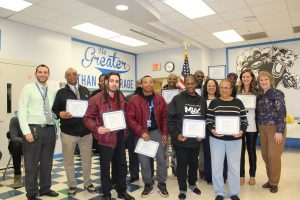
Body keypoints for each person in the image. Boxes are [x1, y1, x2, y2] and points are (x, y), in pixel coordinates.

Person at [83, 72, 134, 200]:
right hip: (105, 139)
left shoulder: (121, 96)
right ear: (106, 82)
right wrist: (97, 128)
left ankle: (122, 191)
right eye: (111, 81)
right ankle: (106, 194)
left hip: (120, 137)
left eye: (117, 81)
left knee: (122, 165)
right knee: (105, 168)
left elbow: (125, 114)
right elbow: (87, 118)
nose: (114, 84)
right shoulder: (96, 99)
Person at [52, 68, 94, 196]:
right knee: (68, 160)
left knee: (87, 159)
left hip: (86, 132)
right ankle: (71, 185)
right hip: (68, 133)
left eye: (74, 74)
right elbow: (55, 109)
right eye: (69, 75)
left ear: (77, 76)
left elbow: (91, 108)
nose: (72, 76)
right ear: (66, 77)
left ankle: (88, 183)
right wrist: (61, 113)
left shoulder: (85, 90)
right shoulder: (61, 92)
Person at [18, 64, 59, 200]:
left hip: (49, 129)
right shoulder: (28, 89)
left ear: (48, 74)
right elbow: (22, 111)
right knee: (31, 164)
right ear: (36, 74)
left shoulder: (51, 89)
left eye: (45, 72)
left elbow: (53, 111)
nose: (43, 74)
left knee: (47, 163)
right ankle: (31, 192)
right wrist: (26, 131)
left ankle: (45, 189)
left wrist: (56, 128)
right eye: (40, 72)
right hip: (33, 129)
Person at [126, 75, 169, 198]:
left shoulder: (160, 99)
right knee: (144, 161)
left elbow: (165, 118)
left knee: (161, 159)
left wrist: (165, 133)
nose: (149, 84)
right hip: (141, 134)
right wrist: (141, 132)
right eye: (146, 82)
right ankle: (148, 183)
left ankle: (161, 182)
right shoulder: (134, 100)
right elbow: (130, 118)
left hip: (157, 132)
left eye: (151, 82)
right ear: (141, 84)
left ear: (153, 84)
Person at [207, 79, 248, 200]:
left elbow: (244, 121)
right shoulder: (214, 103)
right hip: (216, 139)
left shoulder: (238, 103)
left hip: (235, 140)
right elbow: (208, 120)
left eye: (227, 87)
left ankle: (233, 192)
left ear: (231, 89)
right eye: (222, 87)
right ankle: (219, 192)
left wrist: (242, 131)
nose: (224, 90)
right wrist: (212, 130)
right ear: (219, 89)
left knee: (234, 167)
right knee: (217, 166)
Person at [167, 75, 206, 200]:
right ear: (184, 84)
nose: (190, 86)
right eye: (187, 83)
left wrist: (202, 134)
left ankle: (192, 184)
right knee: (182, 165)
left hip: (195, 141)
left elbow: (205, 120)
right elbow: (170, 120)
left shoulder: (201, 100)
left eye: (192, 83)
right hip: (181, 140)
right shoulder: (177, 99)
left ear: (196, 84)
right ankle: (182, 188)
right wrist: (176, 135)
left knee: (194, 164)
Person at [256, 71, 287, 193]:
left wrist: (279, 131)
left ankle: (274, 182)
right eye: (261, 80)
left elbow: (281, 112)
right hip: (262, 128)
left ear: (270, 80)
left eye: (266, 80)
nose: (263, 82)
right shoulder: (260, 95)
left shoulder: (277, 93)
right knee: (265, 155)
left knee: (273, 156)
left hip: (275, 128)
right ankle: (270, 179)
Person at [237, 69, 259, 186]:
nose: (246, 79)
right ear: (241, 78)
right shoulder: (237, 91)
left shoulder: (257, 92)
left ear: (252, 78)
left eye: (248, 77)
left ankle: (252, 176)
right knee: (240, 152)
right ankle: (241, 175)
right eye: (243, 77)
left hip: (252, 125)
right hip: (239, 125)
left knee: (251, 151)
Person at [202, 79, 220, 184]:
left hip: (219, 129)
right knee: (208, 154)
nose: (211, 87)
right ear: (206, 87)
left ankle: (221, 174)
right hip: (206, 130)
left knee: (219, 154)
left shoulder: (220, 99)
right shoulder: (201, 100)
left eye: (213, 85)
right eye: (209, 86)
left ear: (216, 87)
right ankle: (209, 176)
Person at [125, 79, 142, 183]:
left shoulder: (151, 98)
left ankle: (148, 175)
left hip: (146, 130)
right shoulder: (128, 98)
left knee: (147, 153)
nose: (141, 85)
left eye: (142, 83)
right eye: (139, 83)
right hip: (131, 130)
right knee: (132, 154)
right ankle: (134, 175)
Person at [8, 116, 23, 188]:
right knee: (17, 146)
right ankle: (17, 177)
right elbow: (14, 137)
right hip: (17, 145)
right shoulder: (15, 120)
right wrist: (26, 141)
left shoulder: (34, 119)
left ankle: (37, 170)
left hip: (29, 145)